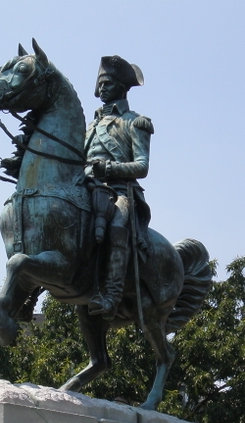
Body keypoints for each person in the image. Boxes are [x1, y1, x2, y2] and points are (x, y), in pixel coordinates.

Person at [85, 55, 154, 320]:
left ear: (122, 87)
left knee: (116, 222)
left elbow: (142, 166)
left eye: (109, 82)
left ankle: (112, 294)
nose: (103, 87)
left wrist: (110, 169)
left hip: (119, 191)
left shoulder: (136, 122)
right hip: (88, 186)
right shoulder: (91, 126)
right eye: (101, 82)